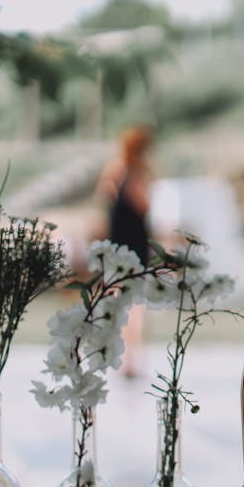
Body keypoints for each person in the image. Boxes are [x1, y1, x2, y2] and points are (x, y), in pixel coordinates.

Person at [97, 125, 155, 377]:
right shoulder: (131, 173)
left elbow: (104, 197)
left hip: (121, 242)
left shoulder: (115, 170)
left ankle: (124, 355)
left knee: (121, 301)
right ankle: (127, 356)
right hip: (129, 244)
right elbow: (143, 206)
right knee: (129, 304)